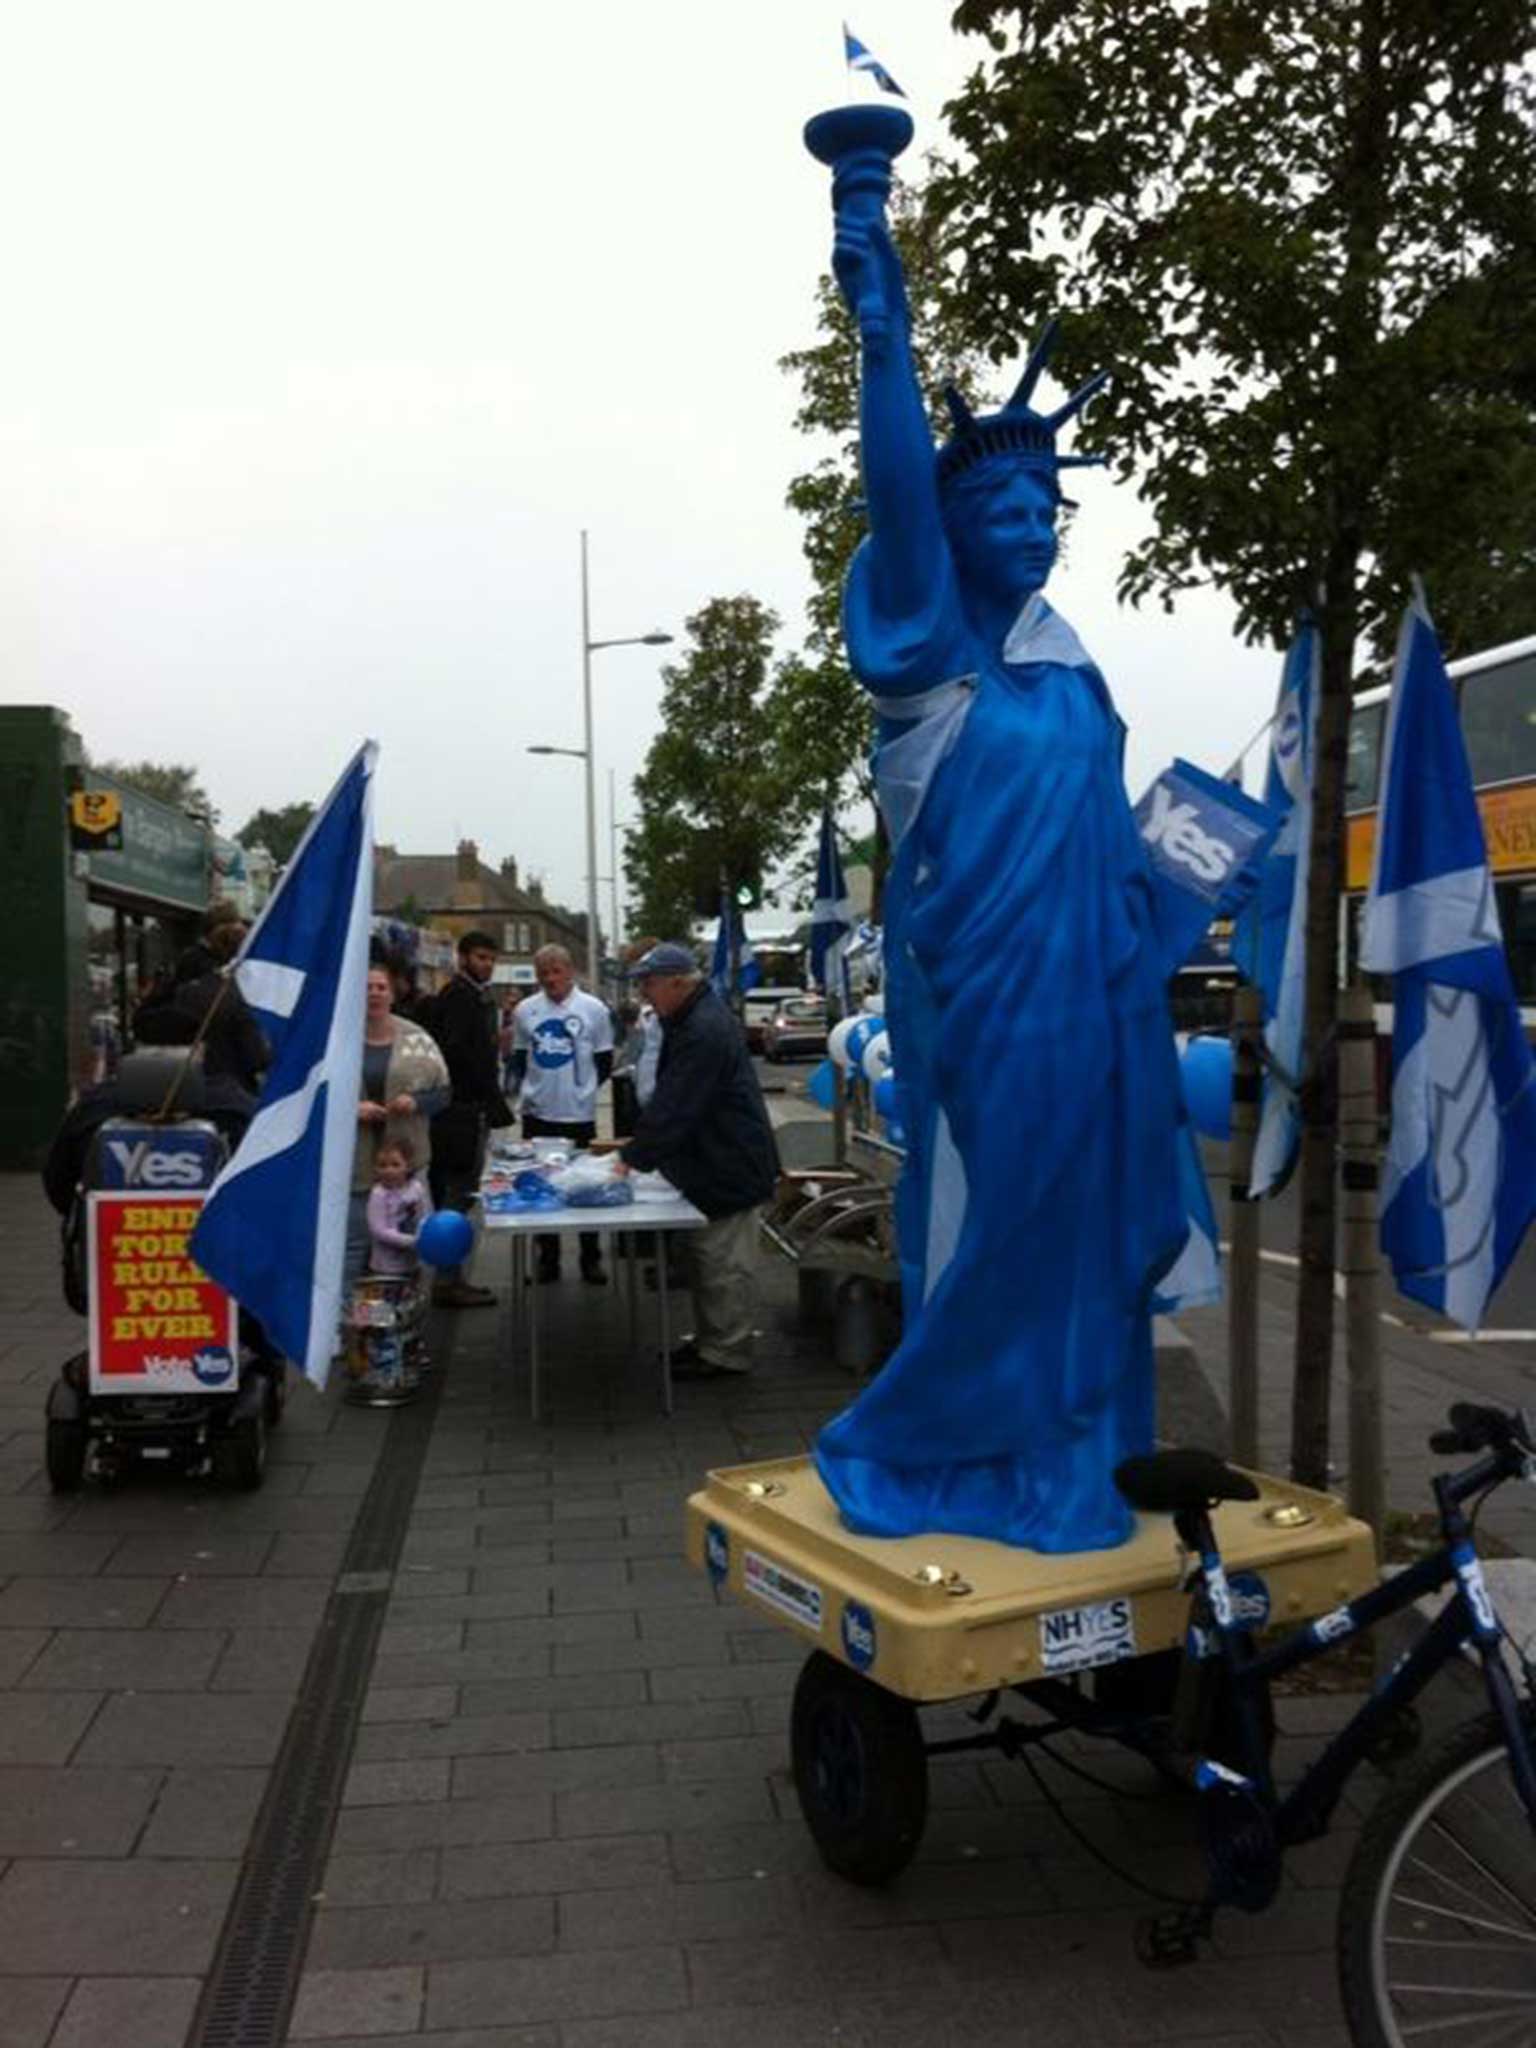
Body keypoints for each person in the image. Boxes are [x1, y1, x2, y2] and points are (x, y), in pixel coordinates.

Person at [807, 178, 1186, 1549]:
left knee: (1088, 1231)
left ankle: (1081, 1449)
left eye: (1046, 516)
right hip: (991, 998)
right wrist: (879, 314)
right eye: (1005, 515)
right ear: (958, 537)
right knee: (1011, 1219)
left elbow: (1110, 841)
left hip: (1096, 996)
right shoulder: (931, 642)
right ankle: (938, 1442)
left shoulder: (1066, 664)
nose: (1031, 532)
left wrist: (1191, 879)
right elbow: (901, 481)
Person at [615, 941, 779, 1379]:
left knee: (724, 1265)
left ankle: (727, 1353)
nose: (644, 993)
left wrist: (632, 1157)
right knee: (709, 1261)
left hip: (730, 1163)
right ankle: (713, 1342)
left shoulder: (702, 1028)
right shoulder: (692, 1018)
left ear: (677, 982)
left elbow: (677, 1102)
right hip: (715, 1159)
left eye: (648, 983)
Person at [510, 943, 615, 1285]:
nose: (550, 979)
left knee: (584, 1185)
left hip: (579, 1115)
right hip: (538, 1114)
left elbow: (604, 1061)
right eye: (543, 973)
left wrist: (583, 1092)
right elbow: (519, 1057)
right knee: (543, 1186)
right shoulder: (525, 1010)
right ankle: (548, 1259)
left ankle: (590, 1258)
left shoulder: (594, 1009)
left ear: (570, 971)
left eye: (556, 971)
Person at [349, 962, 451, 1296]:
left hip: (409, 1163)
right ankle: (349, 1330)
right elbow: (315, 1097)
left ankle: (409, 1325)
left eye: (381, 987)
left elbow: (444, 1092)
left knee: (418, 1246)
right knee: (355, 1247)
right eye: (367, 987)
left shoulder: (417, 1037)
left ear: (392, 994)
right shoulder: (338, 1040)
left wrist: (417, 1101)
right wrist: (350, 1109)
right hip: (356, 1167)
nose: (374, 993)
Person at [426, 929, 513, 1306]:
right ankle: (448, 1279)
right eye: (480, 958)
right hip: (461, 1110)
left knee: (461, 1192)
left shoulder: (476, 997)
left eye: (491, 959)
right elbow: (460, 1054)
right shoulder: (460, 997)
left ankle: (450, 1276)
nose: (487, 965)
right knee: (458, 1192)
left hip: (468, 1107)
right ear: (463, 958)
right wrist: (485, 1098)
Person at [366, 1138, 432, 1277]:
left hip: (412, 1262)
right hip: (385, 1267)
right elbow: (379, 1230)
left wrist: (425, 1238)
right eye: (382, 1165)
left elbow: (424, 1216)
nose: (389, 1170)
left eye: (395, 1165)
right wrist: (411, 1241)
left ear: (407, 1166)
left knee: (412, 1295)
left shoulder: (416, 1188)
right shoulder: (378, 1194)